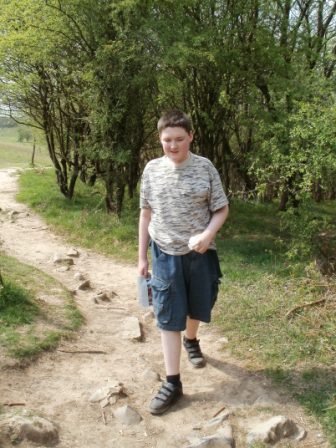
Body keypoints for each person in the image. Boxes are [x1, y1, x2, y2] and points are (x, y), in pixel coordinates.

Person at [138, 110, 229, 415]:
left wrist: (207, 234)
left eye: (179, 139)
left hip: (200, 253)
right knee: (167, 315)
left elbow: (221, 209)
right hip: (164, 253)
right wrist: (141, 257)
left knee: (200, 304)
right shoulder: (151, 170)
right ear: (159, 139)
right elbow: (145, 214)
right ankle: (172, 382)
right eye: (167, 140)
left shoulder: (205, 168)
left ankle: (192, 339)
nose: (173, 145)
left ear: (191, 136)